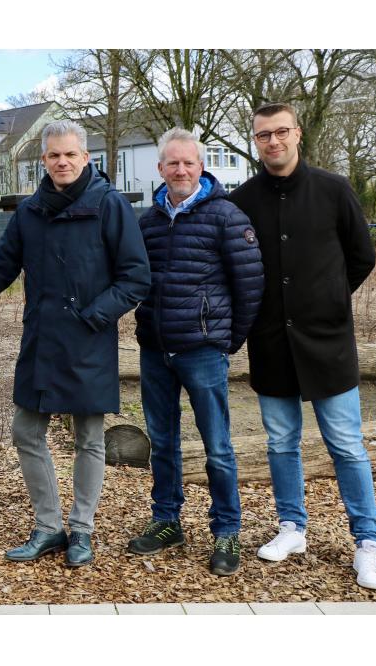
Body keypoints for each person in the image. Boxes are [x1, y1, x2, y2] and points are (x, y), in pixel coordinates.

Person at [0, 120, 151, 567]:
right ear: (43, 160)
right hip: (42, 340)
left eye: (70, 154)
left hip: (88, 339)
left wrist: (95, 315)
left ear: (85, 158)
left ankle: (81, 529)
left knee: (89, 437)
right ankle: (48, 527)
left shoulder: (110, 205)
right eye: (53, 155)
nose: (62, 162)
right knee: (26, 430)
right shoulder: (29, 212)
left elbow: (136, 277)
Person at [230, 102, 376, 590]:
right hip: (272, 343)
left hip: (328, 342)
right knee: (281, 442)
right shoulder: (243, 200)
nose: (273, 142)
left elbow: (361, 256)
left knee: (346, 444)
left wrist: (329, 301)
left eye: (281, 132)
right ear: (255, 142)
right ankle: (292, 527)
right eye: (263, 135)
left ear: (298, 134)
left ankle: (367, 543)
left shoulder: (333, 189)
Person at [127, 128, 263, 576]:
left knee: (217, 446)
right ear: (160, 168)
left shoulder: (226, 216)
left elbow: (250, 286)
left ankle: (226, 528)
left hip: (203, 350)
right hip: (155, 350)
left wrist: (226, 340)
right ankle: (167, 520)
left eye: (189, 163)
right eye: (172, 163)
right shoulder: (146, 222)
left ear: (201, 167)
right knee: (162, 443)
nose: (181, 170)